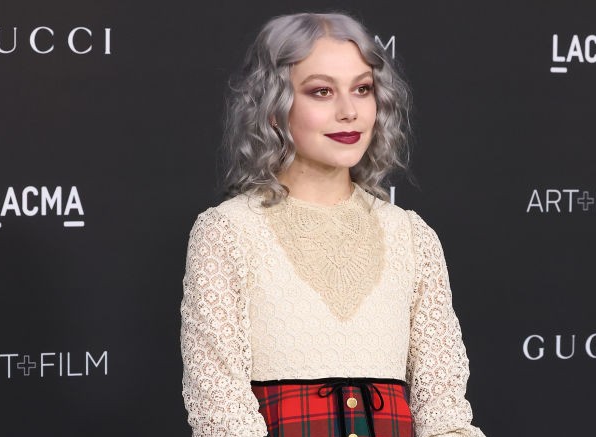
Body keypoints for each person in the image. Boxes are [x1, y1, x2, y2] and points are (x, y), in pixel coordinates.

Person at [180, 11, 486, 437]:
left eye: (362, 89)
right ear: (274, 108)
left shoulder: (412, 237)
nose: (349, 112)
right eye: (321, 91)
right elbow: (222, 417)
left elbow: (446, 415)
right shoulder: (227, 233)